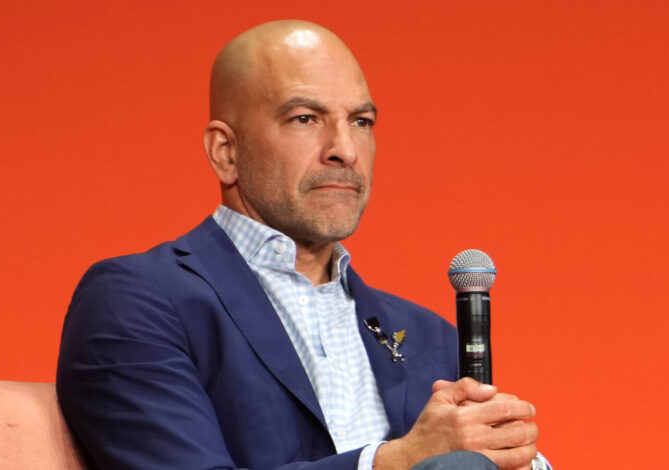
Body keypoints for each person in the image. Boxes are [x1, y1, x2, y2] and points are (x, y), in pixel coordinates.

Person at [56, 20, 550, 470]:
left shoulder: (428, 336)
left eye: (361, 122)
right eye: (305, 118)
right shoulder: (137, 301)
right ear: (226, 152)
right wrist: (394, 461)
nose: (345, 149)